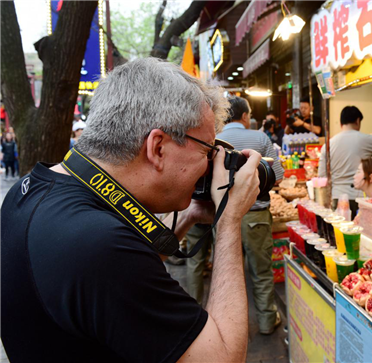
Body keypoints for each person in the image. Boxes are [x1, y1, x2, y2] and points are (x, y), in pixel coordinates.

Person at [1, 58, 261, 362]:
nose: (209, 166)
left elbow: (117, 279)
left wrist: (189, 215)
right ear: (158, 147)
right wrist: (229, 220)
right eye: (207, 150)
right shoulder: (99, 247)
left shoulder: (33, 190)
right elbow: (224, 358)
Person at [186, 97, 284, 335]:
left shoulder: (212, 141)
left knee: (211, 267)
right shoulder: (260, 138)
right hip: (255, 215)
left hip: (214, 214)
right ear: (244, 116)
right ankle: (266, 321)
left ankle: (194, 319)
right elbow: (277, 176)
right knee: (260, 271)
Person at [318, 106, 372, 218]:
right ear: (358, 121)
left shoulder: (328, 145)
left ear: (341, 123)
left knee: (339, 232)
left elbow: (321, 177)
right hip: (361, 198)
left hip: (337, 198)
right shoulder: (368, 140)